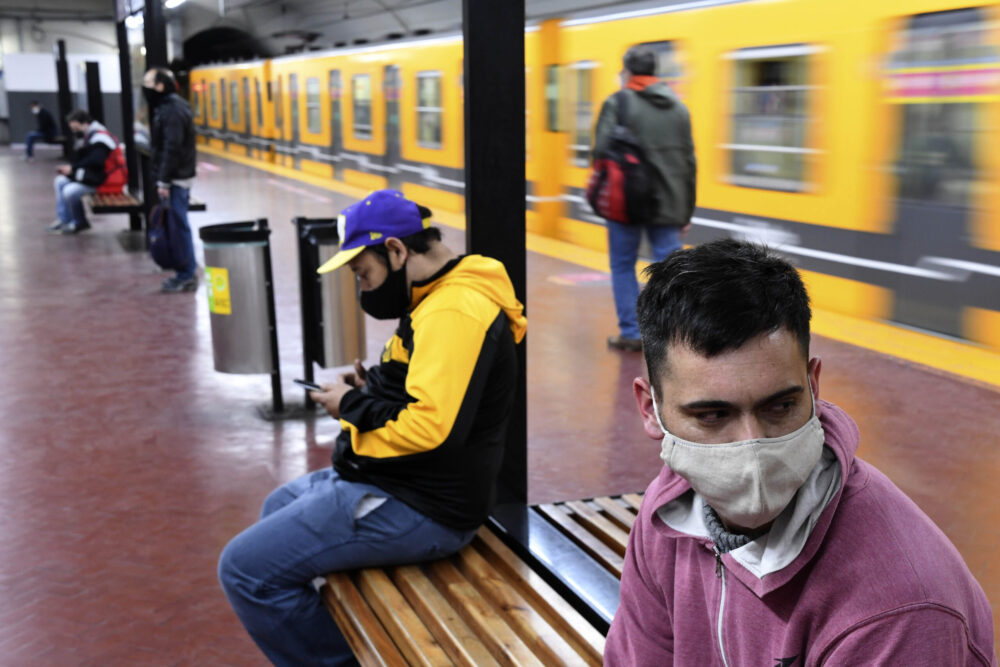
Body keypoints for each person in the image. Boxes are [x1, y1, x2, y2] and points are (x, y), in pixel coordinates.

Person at [605, 239, 996, 665]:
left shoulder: (899, 610)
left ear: (813, 387)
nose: (752, 448)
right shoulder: (670, 514)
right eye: (713, 415)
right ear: (651, 409)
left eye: (780, 406)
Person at [218, 189, 527, 666]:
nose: (363, 289)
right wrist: (370, 389)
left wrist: (353, 406)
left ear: (397, 251)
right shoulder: (436, 296)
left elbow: (430, 430)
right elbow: (427, 387)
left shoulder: (452, 311)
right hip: (405, 483)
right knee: (276, 504)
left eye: (363, 273)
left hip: (426, 505)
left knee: (243, 569)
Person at [592, 45, 696, 352]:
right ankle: (672, 331)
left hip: (627, 199)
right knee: (669, 266)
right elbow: (690, 162)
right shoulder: (679, 108)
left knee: (623, 264)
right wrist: (686, 210)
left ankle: (632, 332)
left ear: (627, 71)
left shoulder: (618, 102)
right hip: (670, 201)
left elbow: (600, 150)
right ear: (655, 72)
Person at [142, 67, 198, 293]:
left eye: (148, 83)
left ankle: (186, 274)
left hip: (176, 178)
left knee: (178, 226)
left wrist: (163, 180)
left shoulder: (172, 110)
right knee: (176, 225)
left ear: (160, 86)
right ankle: (183, 270)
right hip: (176, 176)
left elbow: (172, 147)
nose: (145, 88)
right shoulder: (171, 106)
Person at [49, 110, 116, 235]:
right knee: (60, 181)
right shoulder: (89, 136)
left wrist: (73, 169)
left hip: (105, 181)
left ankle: (79, 222)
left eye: (76, 128)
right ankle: (65, 219)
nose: (74, 132)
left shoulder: (100, 138)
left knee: (70, 191)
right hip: (92, 176)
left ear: (85, 123)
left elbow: (96, 162)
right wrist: (72, 168)